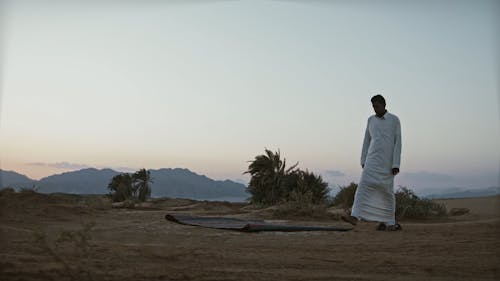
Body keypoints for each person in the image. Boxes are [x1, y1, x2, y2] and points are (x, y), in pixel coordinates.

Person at [342, 94, 402, 231]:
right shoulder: (370, 120)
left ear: (384, 105)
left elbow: (398, 143)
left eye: (376, 106)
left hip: (387, 163)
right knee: (363, 187)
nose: (374, 109)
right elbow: (366, 141)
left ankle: (390, 222)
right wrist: (363, 160)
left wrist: (396, 164)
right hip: (371, 161)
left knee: (387, 192)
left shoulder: (394, 120)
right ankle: (355, 216)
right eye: (373, 106)